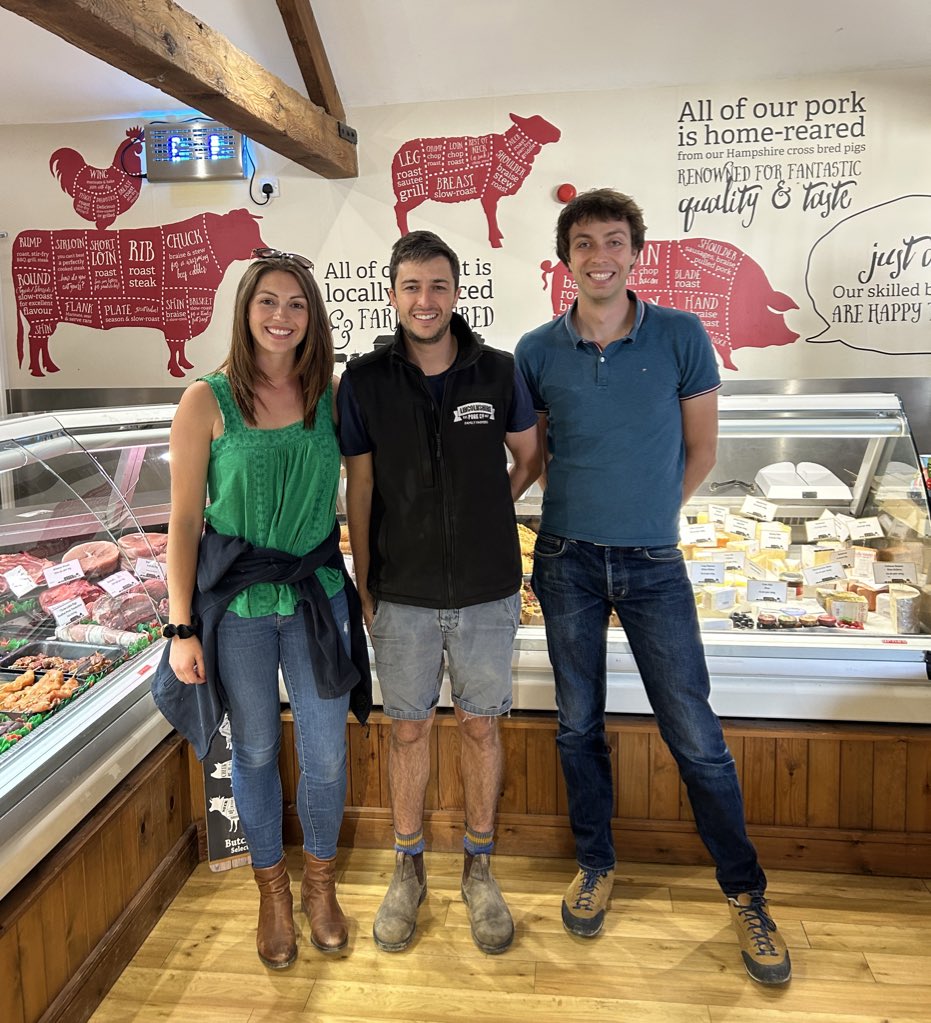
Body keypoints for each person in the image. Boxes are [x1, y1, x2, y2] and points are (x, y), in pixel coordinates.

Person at [514, 189, 791, 985]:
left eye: (612, 240)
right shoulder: (536, 348)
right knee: (576, 728)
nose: (598, 255)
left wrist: (645, 514)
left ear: (635, 251)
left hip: (652, 563)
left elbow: (701, 450)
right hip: (562, 559)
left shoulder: (679, 334)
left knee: (695, 736)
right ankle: (596, 864)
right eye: (582, 243)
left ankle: (744, 891)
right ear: (564, 258)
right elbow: (529, 461)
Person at [161, 248, 371, 970]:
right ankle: (271, 890)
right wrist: (179, 626)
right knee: (251, 748)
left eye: (296, 304)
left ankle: (319, 883)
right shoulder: (205, 400)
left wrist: (368, 580)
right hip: (240, 606)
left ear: (312, 318)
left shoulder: (331, 396)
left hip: (317, 596)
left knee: (325, 751)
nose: (281, 317)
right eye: (268, 302)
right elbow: (184, 523)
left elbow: (366, 488)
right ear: (245, 310)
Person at [338, 230, 541, 955]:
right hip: (402, 591)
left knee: (482, 725)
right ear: (392, 295)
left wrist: (491, 501)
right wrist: (366, 577)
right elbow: (359, 485)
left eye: (438, 286)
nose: (425, 301)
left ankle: (479, 869)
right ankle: (408, 866)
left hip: (488, 588)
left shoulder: (498, 369)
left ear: (457, 293)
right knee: (410, 729)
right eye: (411, 287)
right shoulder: (362, 380)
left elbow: (528, 454)